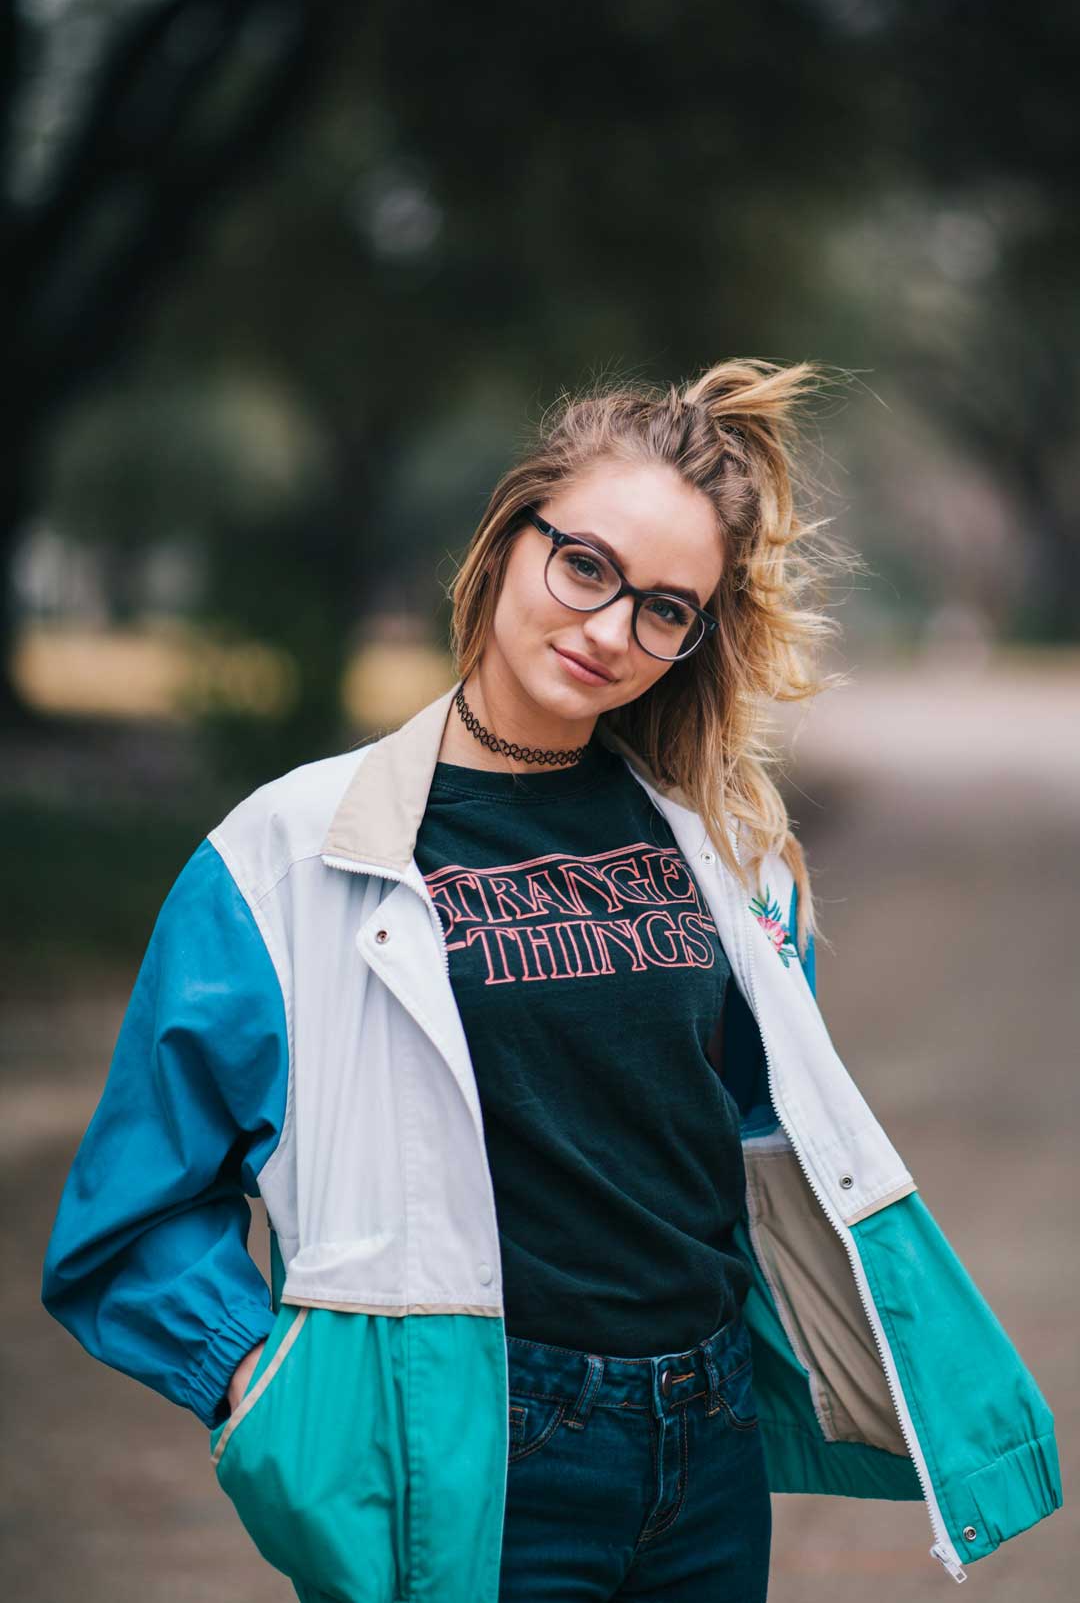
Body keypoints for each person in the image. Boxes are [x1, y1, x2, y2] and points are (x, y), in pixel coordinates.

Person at [42, 359, 1060, 1603]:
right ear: (508, 538)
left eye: (664, 609)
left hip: (707, 1445)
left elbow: (751, 1149)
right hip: (483, 1451)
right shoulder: (286, 856)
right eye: (586, 566)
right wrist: (259, 1383)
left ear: (694, 637)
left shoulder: (721, 847)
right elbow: (131, 1211)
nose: (609, 631)